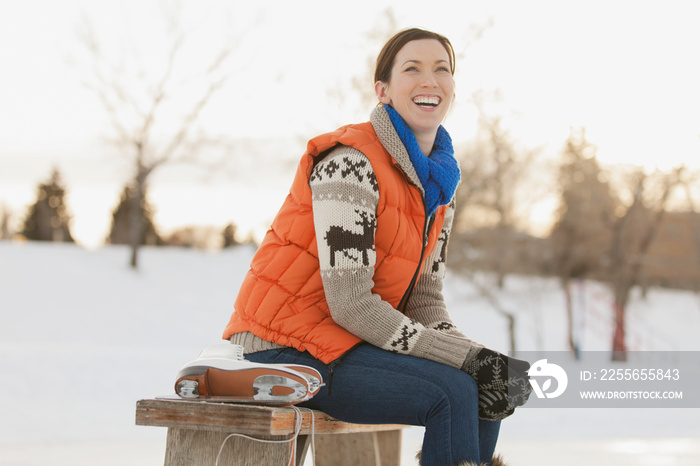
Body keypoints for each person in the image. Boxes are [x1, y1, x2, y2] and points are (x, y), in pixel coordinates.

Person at [221, 28, 531, 466]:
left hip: (343, 341)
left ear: (453, 89)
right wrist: (467, 360)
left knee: (483, 386)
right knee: (453, 390)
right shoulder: (351, 163)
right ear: (382, 90)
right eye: (413, 69)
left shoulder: (439, 187)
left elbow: (424, 300)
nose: (430, 80)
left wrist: (482, 361)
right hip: (283, 346)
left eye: (442, 69)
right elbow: (351, 303)